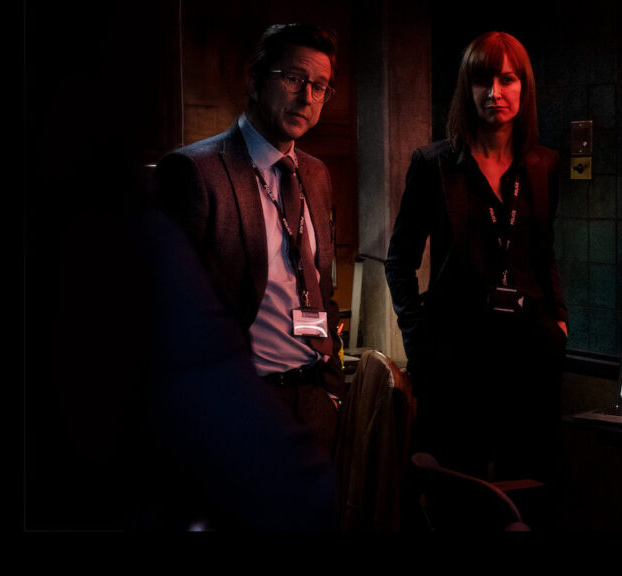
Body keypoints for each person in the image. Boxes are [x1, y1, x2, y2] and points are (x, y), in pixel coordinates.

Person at [153, 23, 344, 457]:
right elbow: (164, 310)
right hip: (239, 405)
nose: (307, 97)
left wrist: (331, 391)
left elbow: (321, 286)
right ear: (255, 81)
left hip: (315, 402)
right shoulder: (195, 172)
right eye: (294, 79)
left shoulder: (316, 174)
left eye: (319, 87)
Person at [385, 31, 567, 486]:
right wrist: (417, 339)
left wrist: (559, 320)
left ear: (524, 86)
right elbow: (399, 261)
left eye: (507, 80)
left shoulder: (544, 165)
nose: (495, 92)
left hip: (528, 349)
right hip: (455, 353)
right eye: (482, 80)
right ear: (466, 88)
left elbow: (543, 251)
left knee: (529, 482)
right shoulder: (434, 164)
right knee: (455, 486)